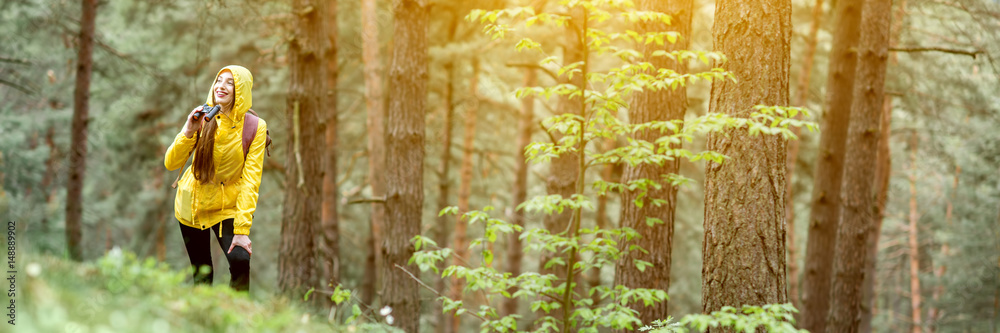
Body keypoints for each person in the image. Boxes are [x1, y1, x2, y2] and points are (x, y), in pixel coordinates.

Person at [164, 65, 266, 292]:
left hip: (226, 205)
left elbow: (251, 180)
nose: (221, 86)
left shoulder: (255, 127)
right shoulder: (203, 116)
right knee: (202, 273)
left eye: (230, 82)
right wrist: (188, 130)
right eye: (219, 80)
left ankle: (236, 319)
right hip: (192, 203)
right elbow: (171, 163)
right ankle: (203, 321)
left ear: (242, 90)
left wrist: (241, 230)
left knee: (240, 261)